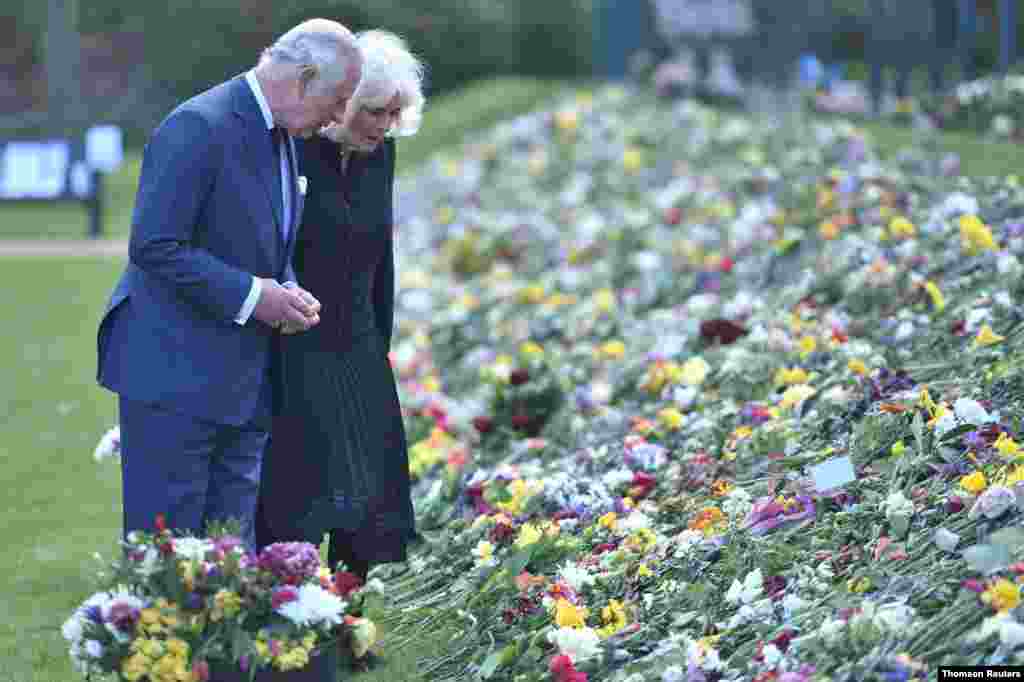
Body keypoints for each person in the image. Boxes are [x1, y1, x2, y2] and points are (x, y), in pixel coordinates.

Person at [96, 19, 363, 549]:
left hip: (242, 381)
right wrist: (254, 296)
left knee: (230, 562)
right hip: (173, 376)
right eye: (337, 98)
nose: (340, 117)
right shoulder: (199, 124)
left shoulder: (284, 133)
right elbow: (155, 245)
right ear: (305, 77)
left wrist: (285, 289)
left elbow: (263, 241)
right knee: (168, 563)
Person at [254, 29, 425, 582]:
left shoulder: (383, 156)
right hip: (296, 340)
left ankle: (350, 616)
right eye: (376, 111)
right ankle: (294, 618)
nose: (385, 125)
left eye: (396, 114)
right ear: (343, 100)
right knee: (300, 489)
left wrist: (381, 342)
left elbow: (382, 255)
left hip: (358, 338)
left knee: (370, 491)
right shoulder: (295, 148)